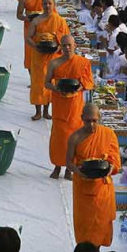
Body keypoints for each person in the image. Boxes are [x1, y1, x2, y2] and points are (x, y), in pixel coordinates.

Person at [66, 103, 121, 249]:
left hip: (102, 189)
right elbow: (69, 163)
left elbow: (116, 161)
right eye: (88, 121)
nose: (91, 124)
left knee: (100, 227)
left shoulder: (108, 134)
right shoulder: (75, 137)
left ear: (99, 118)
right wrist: (78, 171)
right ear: (82, 118)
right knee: (85, 229)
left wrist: (111, 168)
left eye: (94, 121)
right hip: (83, 189)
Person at [46, 35, 94, 179]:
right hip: (59, 104)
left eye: (69, 45)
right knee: (59, 137)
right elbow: (46, 83)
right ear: (60, 47)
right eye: (64, 45)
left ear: (75, 46)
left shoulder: (83, 62)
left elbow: (89, 82)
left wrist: (79, 87)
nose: (67, 48)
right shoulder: (54, 63)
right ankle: (57, 166)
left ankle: (69, 168)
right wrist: (57, 89)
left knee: (73, 137)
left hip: (75, 105)